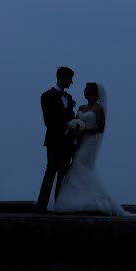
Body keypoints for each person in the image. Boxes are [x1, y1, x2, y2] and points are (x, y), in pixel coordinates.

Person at [54, 82, 136, 216]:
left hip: (90, 143)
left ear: (92, 92)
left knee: (79, 166)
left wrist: (83, 129)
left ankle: (97, 201)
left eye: (86, 89)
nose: (83, 91)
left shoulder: (99, 109)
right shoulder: (81, 107)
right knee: (77, 168)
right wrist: (74, 127)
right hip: (79, 142)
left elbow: (100, 128)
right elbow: (76, 120)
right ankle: (79, 200)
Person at [36, 66, 76, 211]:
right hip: (54, 140)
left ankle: (60, 205)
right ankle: (41, 205)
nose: (72, 83)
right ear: (63, 77)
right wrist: (66, 126)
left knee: (64, 175)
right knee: (51, 171)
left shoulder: (69, 98)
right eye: (70, 79)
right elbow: (49, 121)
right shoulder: (46, 96)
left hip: (68, 142)